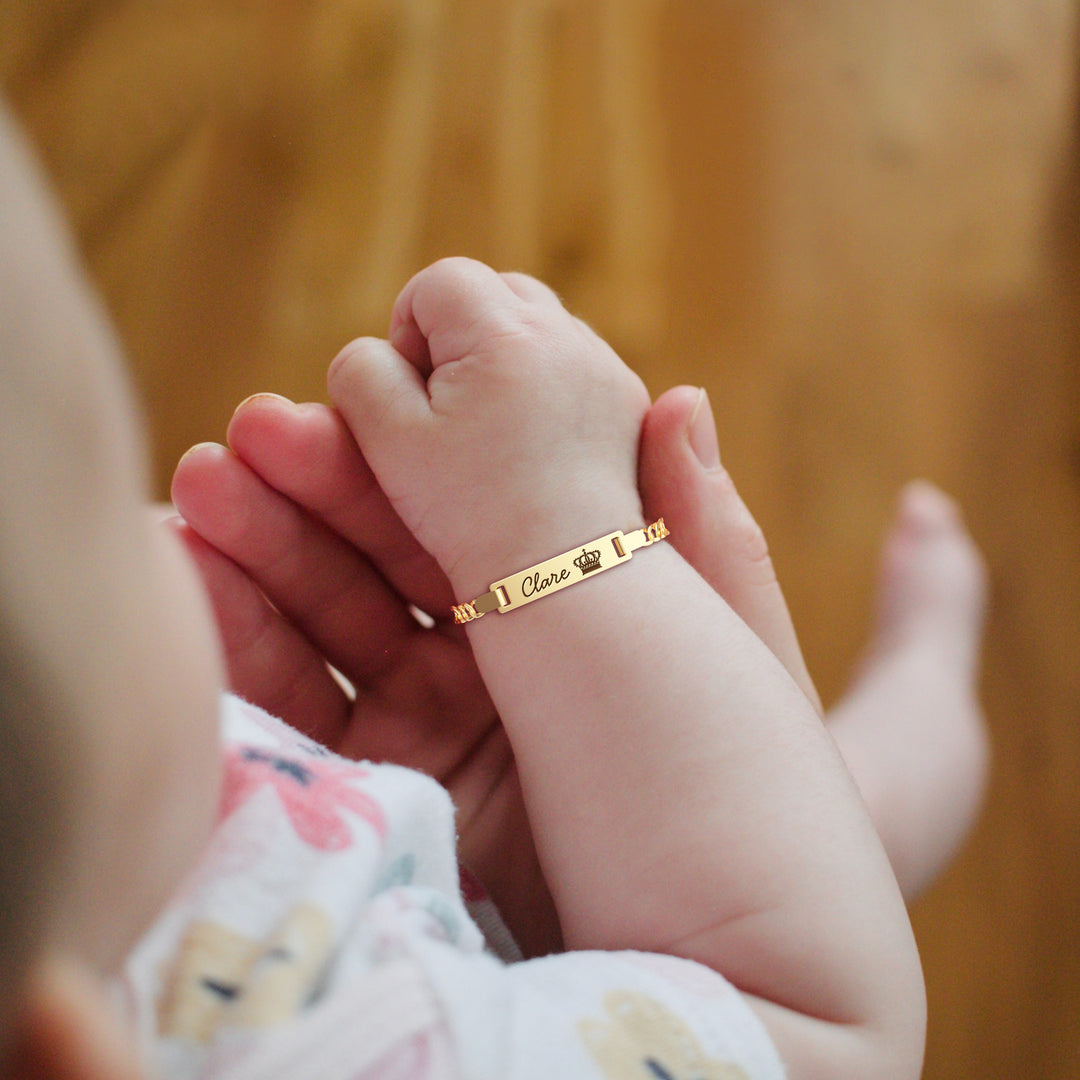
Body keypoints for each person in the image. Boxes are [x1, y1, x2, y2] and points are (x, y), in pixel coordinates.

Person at [0, 92, 989, 1080]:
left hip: (415, 823)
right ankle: (934, 675)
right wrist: (559, 531)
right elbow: (808, 1021)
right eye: (107, 529)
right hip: (686, 939)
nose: (151, 530)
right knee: (851, 811)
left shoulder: (65, 885)